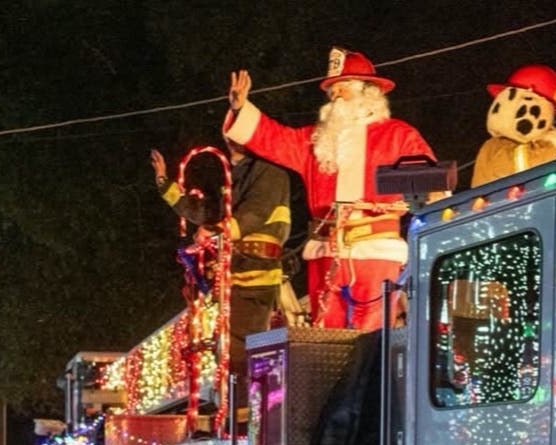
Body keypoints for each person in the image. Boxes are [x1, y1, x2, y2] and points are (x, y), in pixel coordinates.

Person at [225, 47, 439, 330]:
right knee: (326, 334)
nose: (335, 98)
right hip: (325, 252)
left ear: (368, 92)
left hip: (374, 251)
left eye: (343, 90)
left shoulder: (398, 135)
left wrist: (435, 219)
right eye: (332, 92)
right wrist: (241, 108)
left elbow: (433, 184)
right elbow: (274, 138)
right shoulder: (316, 141)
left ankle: (373, 375)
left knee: (372, 336)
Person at [150, 141, 290, 407]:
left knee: (239, 346)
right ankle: (233, 406)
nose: (230, 144)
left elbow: (255, 213)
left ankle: (242, 411)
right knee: (225, 345)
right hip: (235, 274)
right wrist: (164, 184)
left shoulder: (270, 172)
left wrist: (217, 232)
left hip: (256, 273)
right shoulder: (236, 178)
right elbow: (206, 212)